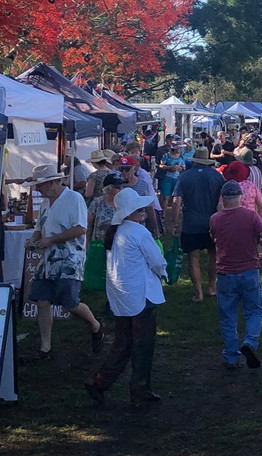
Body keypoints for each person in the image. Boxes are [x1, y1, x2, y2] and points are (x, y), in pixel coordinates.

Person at [85, 187, 167, 406]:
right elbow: (157, 261)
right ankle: (140, 389)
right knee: (143, 345)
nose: (143, 212)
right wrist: (164, 274)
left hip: (121, 295)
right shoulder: (139, 232)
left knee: (122, 343)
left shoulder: (116, 232)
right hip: (141, 295)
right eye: (140, 209)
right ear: (133, 212)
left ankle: (100, 381)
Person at [24, 163, 106, 359]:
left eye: (40, 185)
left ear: (52, 183)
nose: (37, 189)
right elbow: (39, 227)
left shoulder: (74, 199)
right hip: (48, 259)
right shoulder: (46, 203)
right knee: (42, 300)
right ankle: (45, 348)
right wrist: (33, 240)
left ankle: (96, 326)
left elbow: (80, 228)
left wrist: (51, 240)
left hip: (69, 259)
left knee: (70, 303)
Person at [211, 180, 262, 369]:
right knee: (254, 310)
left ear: (223, 199)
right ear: (240, 197)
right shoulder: (251, 217)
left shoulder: (215, 219)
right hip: (249, 271)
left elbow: (214, 238)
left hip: (225, 273)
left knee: (227, 315)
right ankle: (250, 342)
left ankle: (231, 356)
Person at [173, 148, 225, 302]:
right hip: (212, 222)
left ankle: (198, 293)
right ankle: (212, 287)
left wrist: (175, 222)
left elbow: (177, 201)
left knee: (193, 257)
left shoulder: (184, 177)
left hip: (191, 222)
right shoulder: (217, 176)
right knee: (213, 255)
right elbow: (222, 200)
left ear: (194, 160)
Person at [115, 156, 161, 238]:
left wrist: (155, 229)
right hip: (120, 225)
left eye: (127, 169)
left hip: (138, 224)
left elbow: (149, 206)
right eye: (121, 169)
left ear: (134, 168)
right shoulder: (116, 185)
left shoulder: (142, 184)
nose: (124, 172)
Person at [86, 174, 123, 242]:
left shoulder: (124, 204)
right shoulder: (97, 203)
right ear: (108, 189)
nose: (121, 190)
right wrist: (87, 244)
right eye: (117, 187)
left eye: (122, 187)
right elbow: (89, 225)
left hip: (118, 245)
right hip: (98, 246)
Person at [157, 136, 186, 217]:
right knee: (165, 197)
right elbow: (161, 165)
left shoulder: (181, 157)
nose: (181, 150)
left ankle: (174, 216)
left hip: (177, 179)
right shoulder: (166, 156)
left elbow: (184, 168)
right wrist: (169, 167)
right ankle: (163, 214)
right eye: (179, 148)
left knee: (176, 198)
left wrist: (179, 168)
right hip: (167, 178)